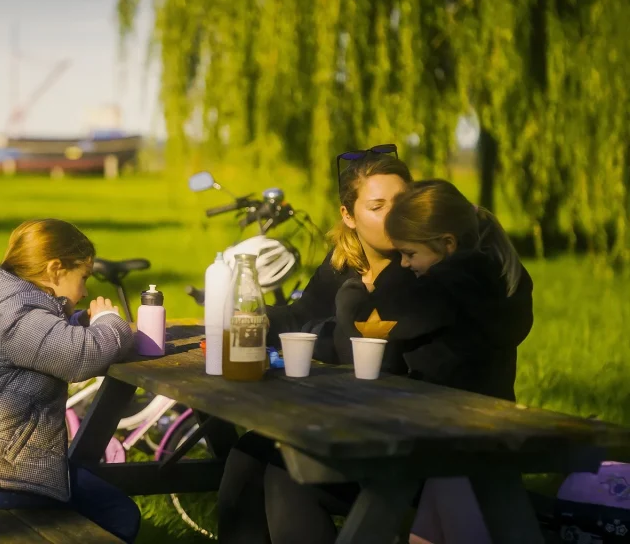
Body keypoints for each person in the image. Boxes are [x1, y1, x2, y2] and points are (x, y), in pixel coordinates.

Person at [218, 147, 419, 544]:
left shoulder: (419, 266)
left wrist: (327, 327)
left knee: (286, 469)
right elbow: (302, 314)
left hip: (413, 435)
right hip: (355, 418)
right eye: (378, 206)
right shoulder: (347, 259)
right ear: (348, 216)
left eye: (402, 203)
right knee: (250, 452)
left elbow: (356, 347)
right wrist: (248, 321)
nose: (394, 218)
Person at [333, 179, 533, 544]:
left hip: (452, 431)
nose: (405, 263)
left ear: (447, 244)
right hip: (480, 419)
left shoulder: (445, 285)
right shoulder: (492, 275)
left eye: (409, 254)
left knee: (458, 528)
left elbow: (371, 321)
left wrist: (359, 290)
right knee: (428, 532)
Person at [0, 219, 141, 544]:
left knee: (88, 489)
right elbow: (81, 357)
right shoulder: (16, 316)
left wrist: (80, 320)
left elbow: (50, 336)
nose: (86, 290)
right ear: (54, 269)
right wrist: (111, 324)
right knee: (118, 512)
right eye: (83, 277)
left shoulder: (0, 303)